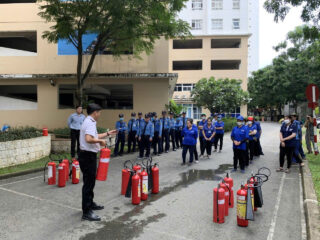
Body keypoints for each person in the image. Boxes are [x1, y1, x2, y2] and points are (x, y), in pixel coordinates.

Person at [79, 103, 116, 221]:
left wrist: (108, 134)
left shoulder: (89, 121)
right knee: (88, 184)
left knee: (90, 182)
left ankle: (90, 204)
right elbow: (89, 139)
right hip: (87, 156)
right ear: (95, 112)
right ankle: (86, 212)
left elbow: (94, 135)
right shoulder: (89, 122)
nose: (100, 114)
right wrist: (100, 142)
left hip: (87, 155)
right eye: (99, 112)